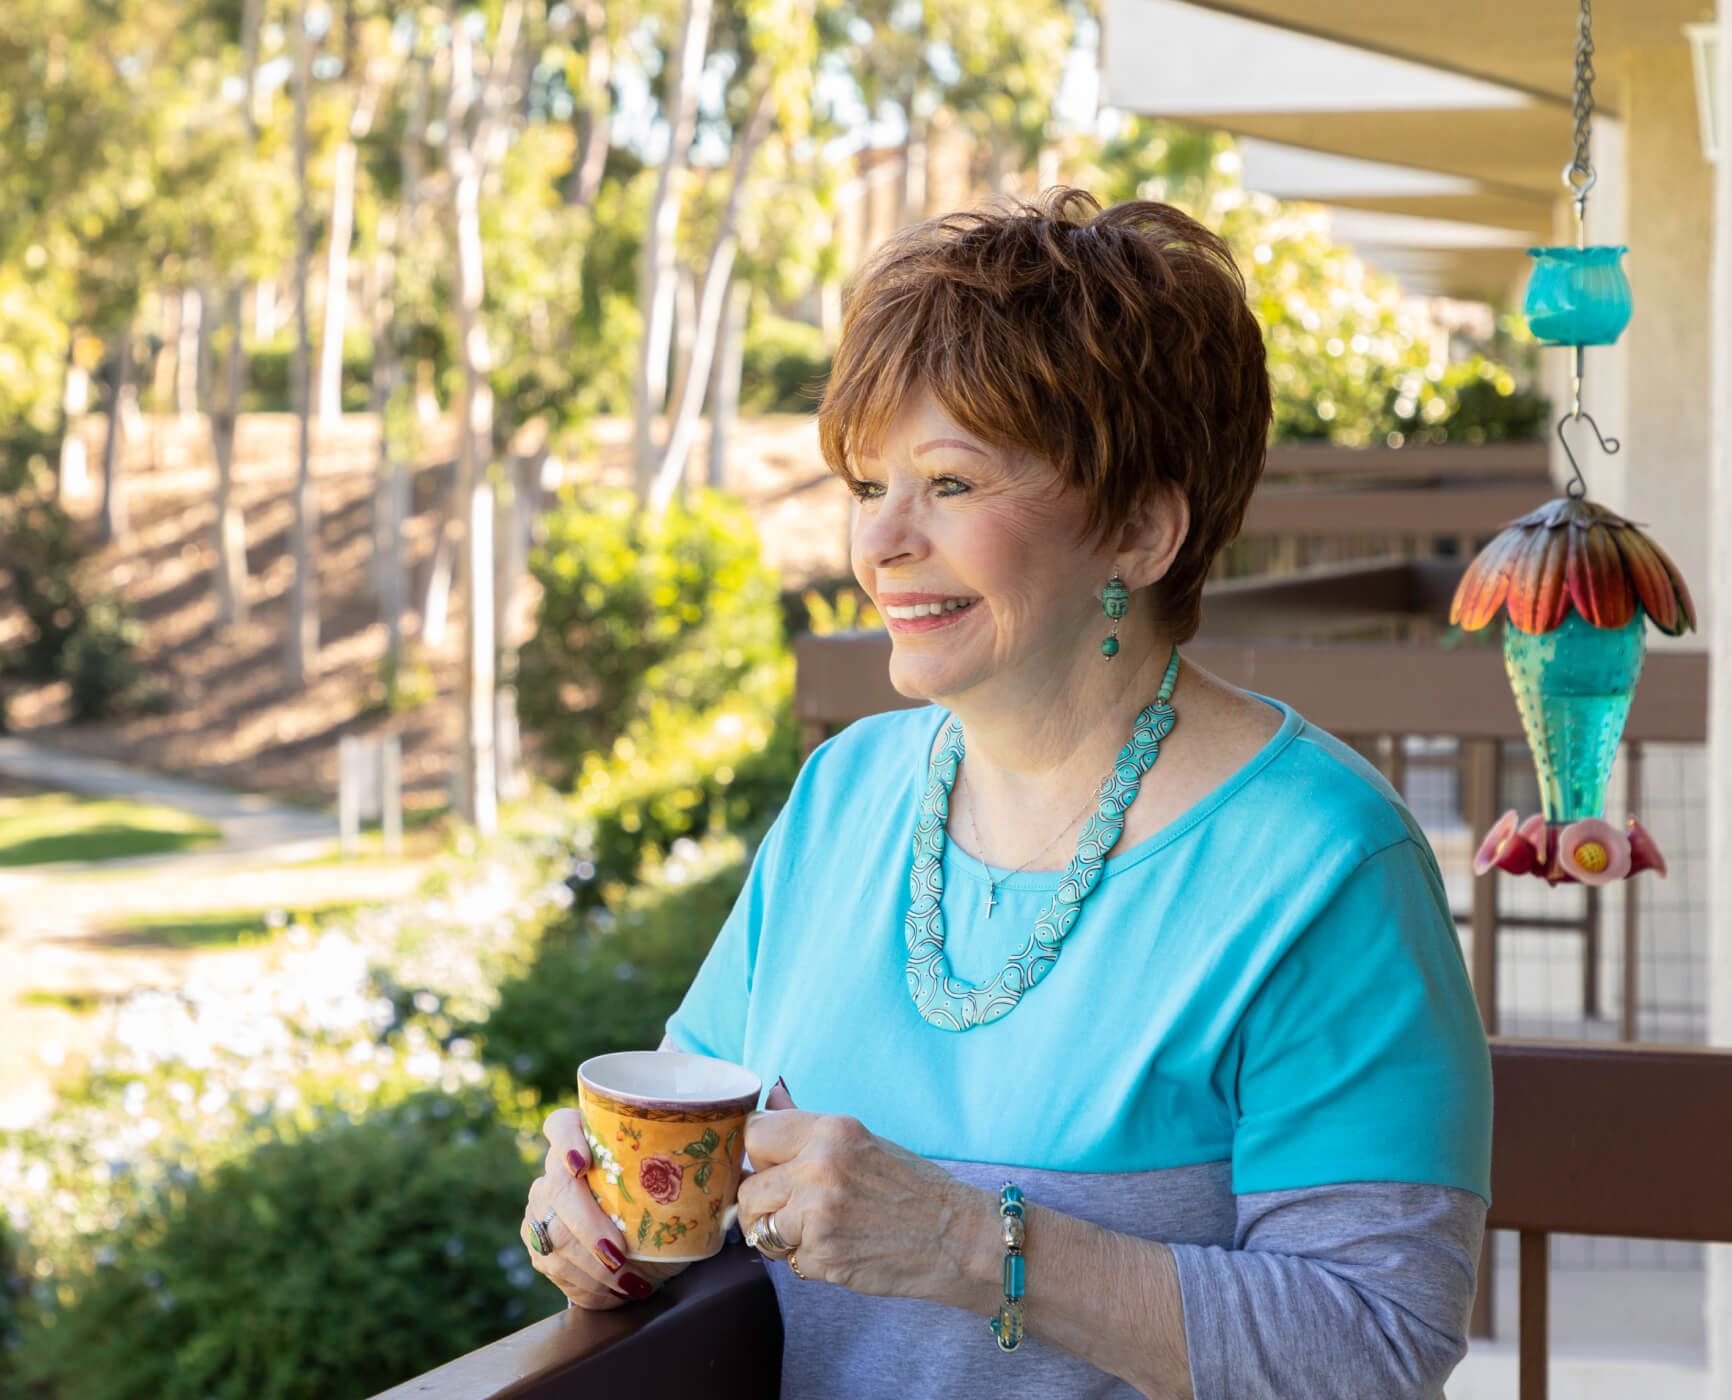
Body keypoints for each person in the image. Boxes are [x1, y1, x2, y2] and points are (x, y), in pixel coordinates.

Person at [520, 187, 1491, 1399]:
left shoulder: (1322, 866)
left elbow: (1375, 1345)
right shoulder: (844, 795)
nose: (881, 543)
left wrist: (968, 1242)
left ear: (1139, 529)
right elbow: (693, 1142)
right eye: (869, 483)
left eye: (953, 483)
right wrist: (599, 1215)